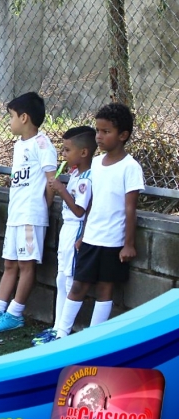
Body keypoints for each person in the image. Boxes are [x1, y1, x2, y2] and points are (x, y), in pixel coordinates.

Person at [0, 92, 57, 332]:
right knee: (9, 263)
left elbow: (51, 182)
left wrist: (43, 209)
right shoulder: (19, 145)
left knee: (27, 265)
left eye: (12, 117)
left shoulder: (42, 144)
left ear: (25, 118)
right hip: (16, 214)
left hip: (31, 214)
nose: (10, 122)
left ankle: (15, 314)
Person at [53, 104, 144, 340]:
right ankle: (61, 333)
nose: (99, 137)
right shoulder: (96, 164)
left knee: (105, 288)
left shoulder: (130, 167)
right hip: (91, 237)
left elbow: (130, 208)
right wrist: (83, 234)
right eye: (98, 131)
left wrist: (128, 244)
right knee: (78, 285)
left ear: (122, 136)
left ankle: (94, 338)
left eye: (106, 132)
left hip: (113, 241)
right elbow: (92, 201)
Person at [31, 126, 96, 345]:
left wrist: (61, 190)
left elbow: (80, 210)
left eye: (67, 150)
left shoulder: (88, 177)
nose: (64, 155)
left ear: (84, 152)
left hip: (76, 228)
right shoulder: (76, 174)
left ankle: (63, 332)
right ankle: (57, 326)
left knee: (69, 278)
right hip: (66, 228)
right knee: (60, 277)